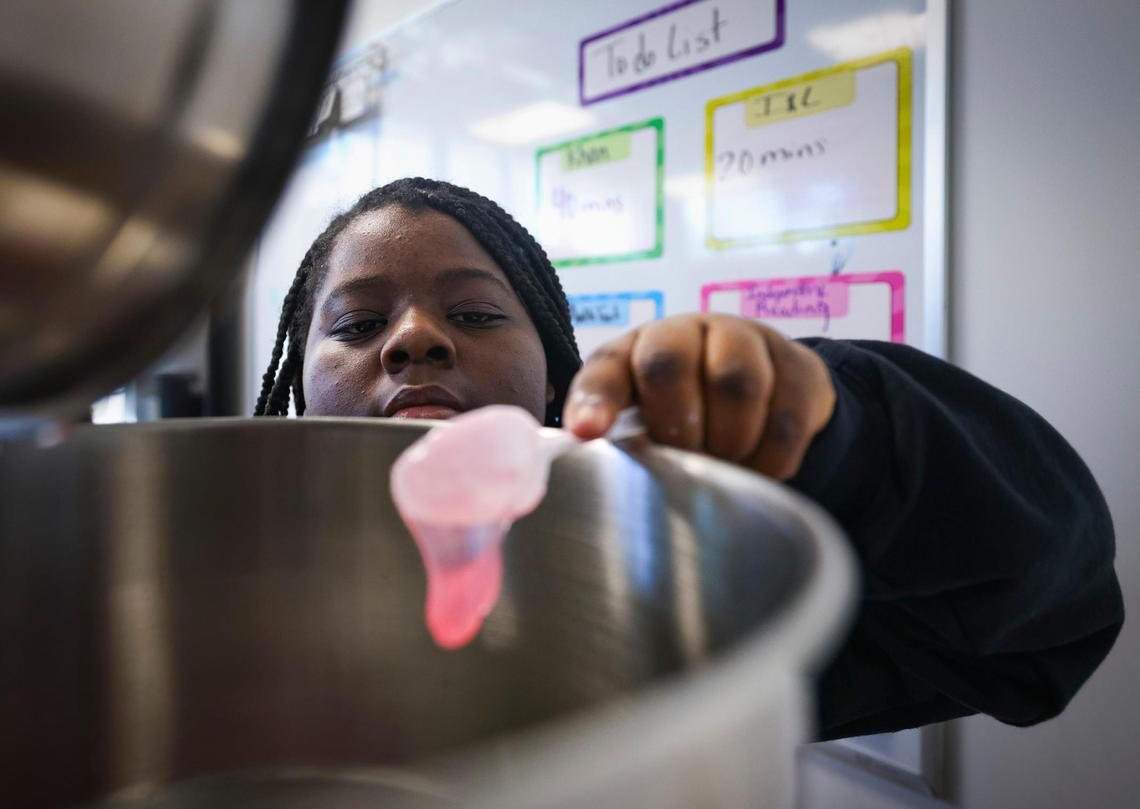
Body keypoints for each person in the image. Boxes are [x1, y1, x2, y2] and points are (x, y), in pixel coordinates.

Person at [256, 177, 1123, 740]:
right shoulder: (216, 597)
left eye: (478, 314)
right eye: (360, 324)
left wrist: (837, 435)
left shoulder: (654, 587)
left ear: (556, 370)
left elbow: (1039, 629)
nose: (414, 339)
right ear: (296, 377)